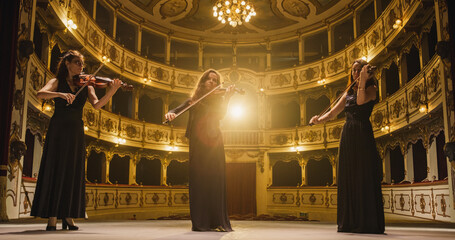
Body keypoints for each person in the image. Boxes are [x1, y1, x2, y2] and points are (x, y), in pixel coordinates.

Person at [31, 50, 122, 231]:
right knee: (55, 168)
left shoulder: (87, 84)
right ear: (67, 64)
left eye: (82, 64)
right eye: (77, 63)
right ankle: (52, 216)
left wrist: (112, 91)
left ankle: (68, 216)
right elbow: (40, 94)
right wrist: (60, 95)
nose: (81, 67)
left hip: (75, 131)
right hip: (58, 129)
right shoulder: (57, 81)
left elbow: (96, 105)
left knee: (72, 171)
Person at [309, 59, 385, 234]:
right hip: (348, 133)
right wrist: (318, 120)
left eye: (359, 70)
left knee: (362, 174)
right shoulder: (348, 92)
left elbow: (360, 102)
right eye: (354, 71)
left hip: (362, 133)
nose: (355, 73)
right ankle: (349, 221)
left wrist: (364, 81)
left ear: (365, 72)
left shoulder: (371, 89)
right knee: (349, 175)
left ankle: (366, 222)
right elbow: (334, 112)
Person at [165, 69, 234, 232]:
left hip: (215, 141)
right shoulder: (193, 100)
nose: (212, 82)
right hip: (197, 142)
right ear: (202, 82)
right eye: (209, 79)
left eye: (215, 80)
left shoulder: (218, 100)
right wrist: (170, 113)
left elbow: (221, 115)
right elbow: (175, 110)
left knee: (215, 179)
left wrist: (228, 98)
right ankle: (200, 222)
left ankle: (218, 221)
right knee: (199, 179)